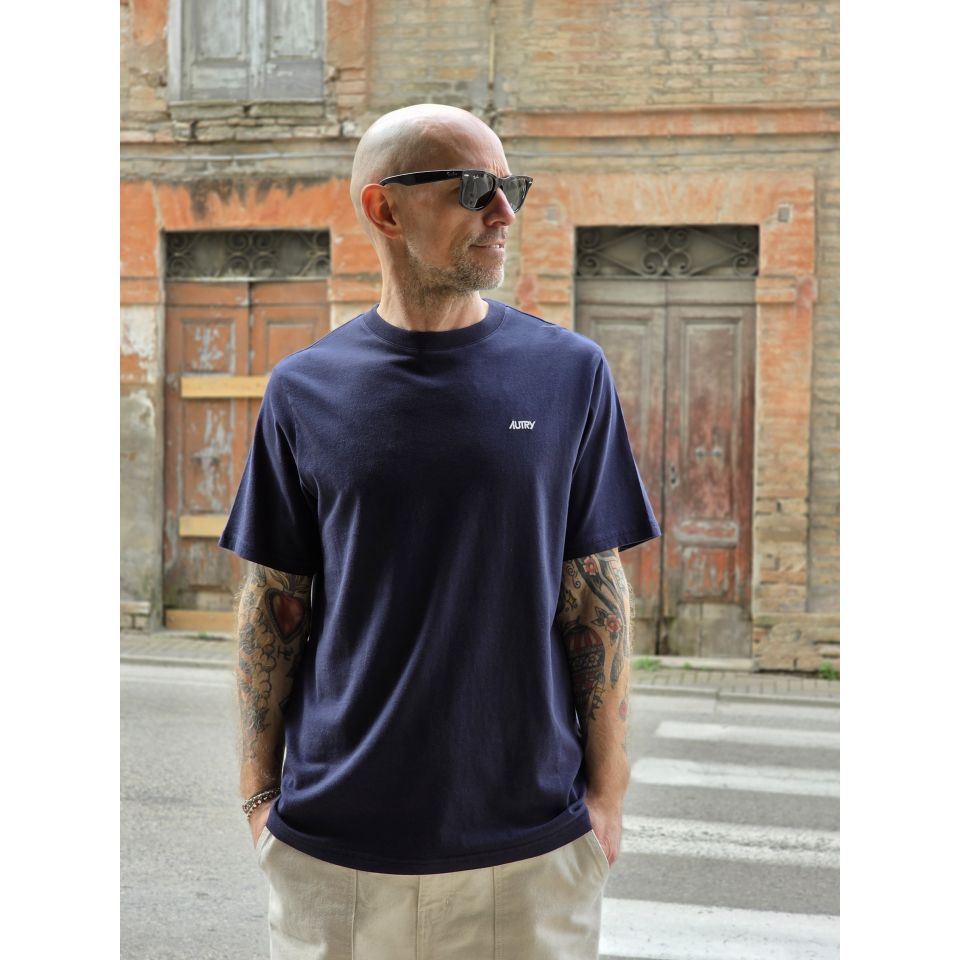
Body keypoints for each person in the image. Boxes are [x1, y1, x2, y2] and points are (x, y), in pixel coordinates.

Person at [219, 102, 661, 959]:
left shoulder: (570, 374)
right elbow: (273, 604)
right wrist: (257, 801)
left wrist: (606, 803)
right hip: (334, 851)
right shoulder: (303, 391)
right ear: (383, 208)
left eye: (511, 188)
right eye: (473, 188)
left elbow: (594, 596)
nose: (504, 212)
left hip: (528, 850)